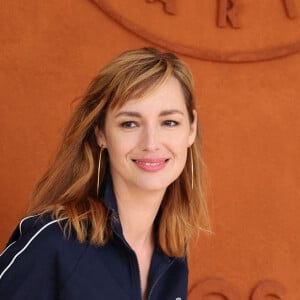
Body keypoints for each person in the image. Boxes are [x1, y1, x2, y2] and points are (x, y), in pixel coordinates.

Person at [0, 48, 209, 300]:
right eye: (129, 123)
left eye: (169, 122)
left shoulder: (172, 252)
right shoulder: (54, 242)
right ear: (101, 133)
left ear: (191, 128)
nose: (151, 143)